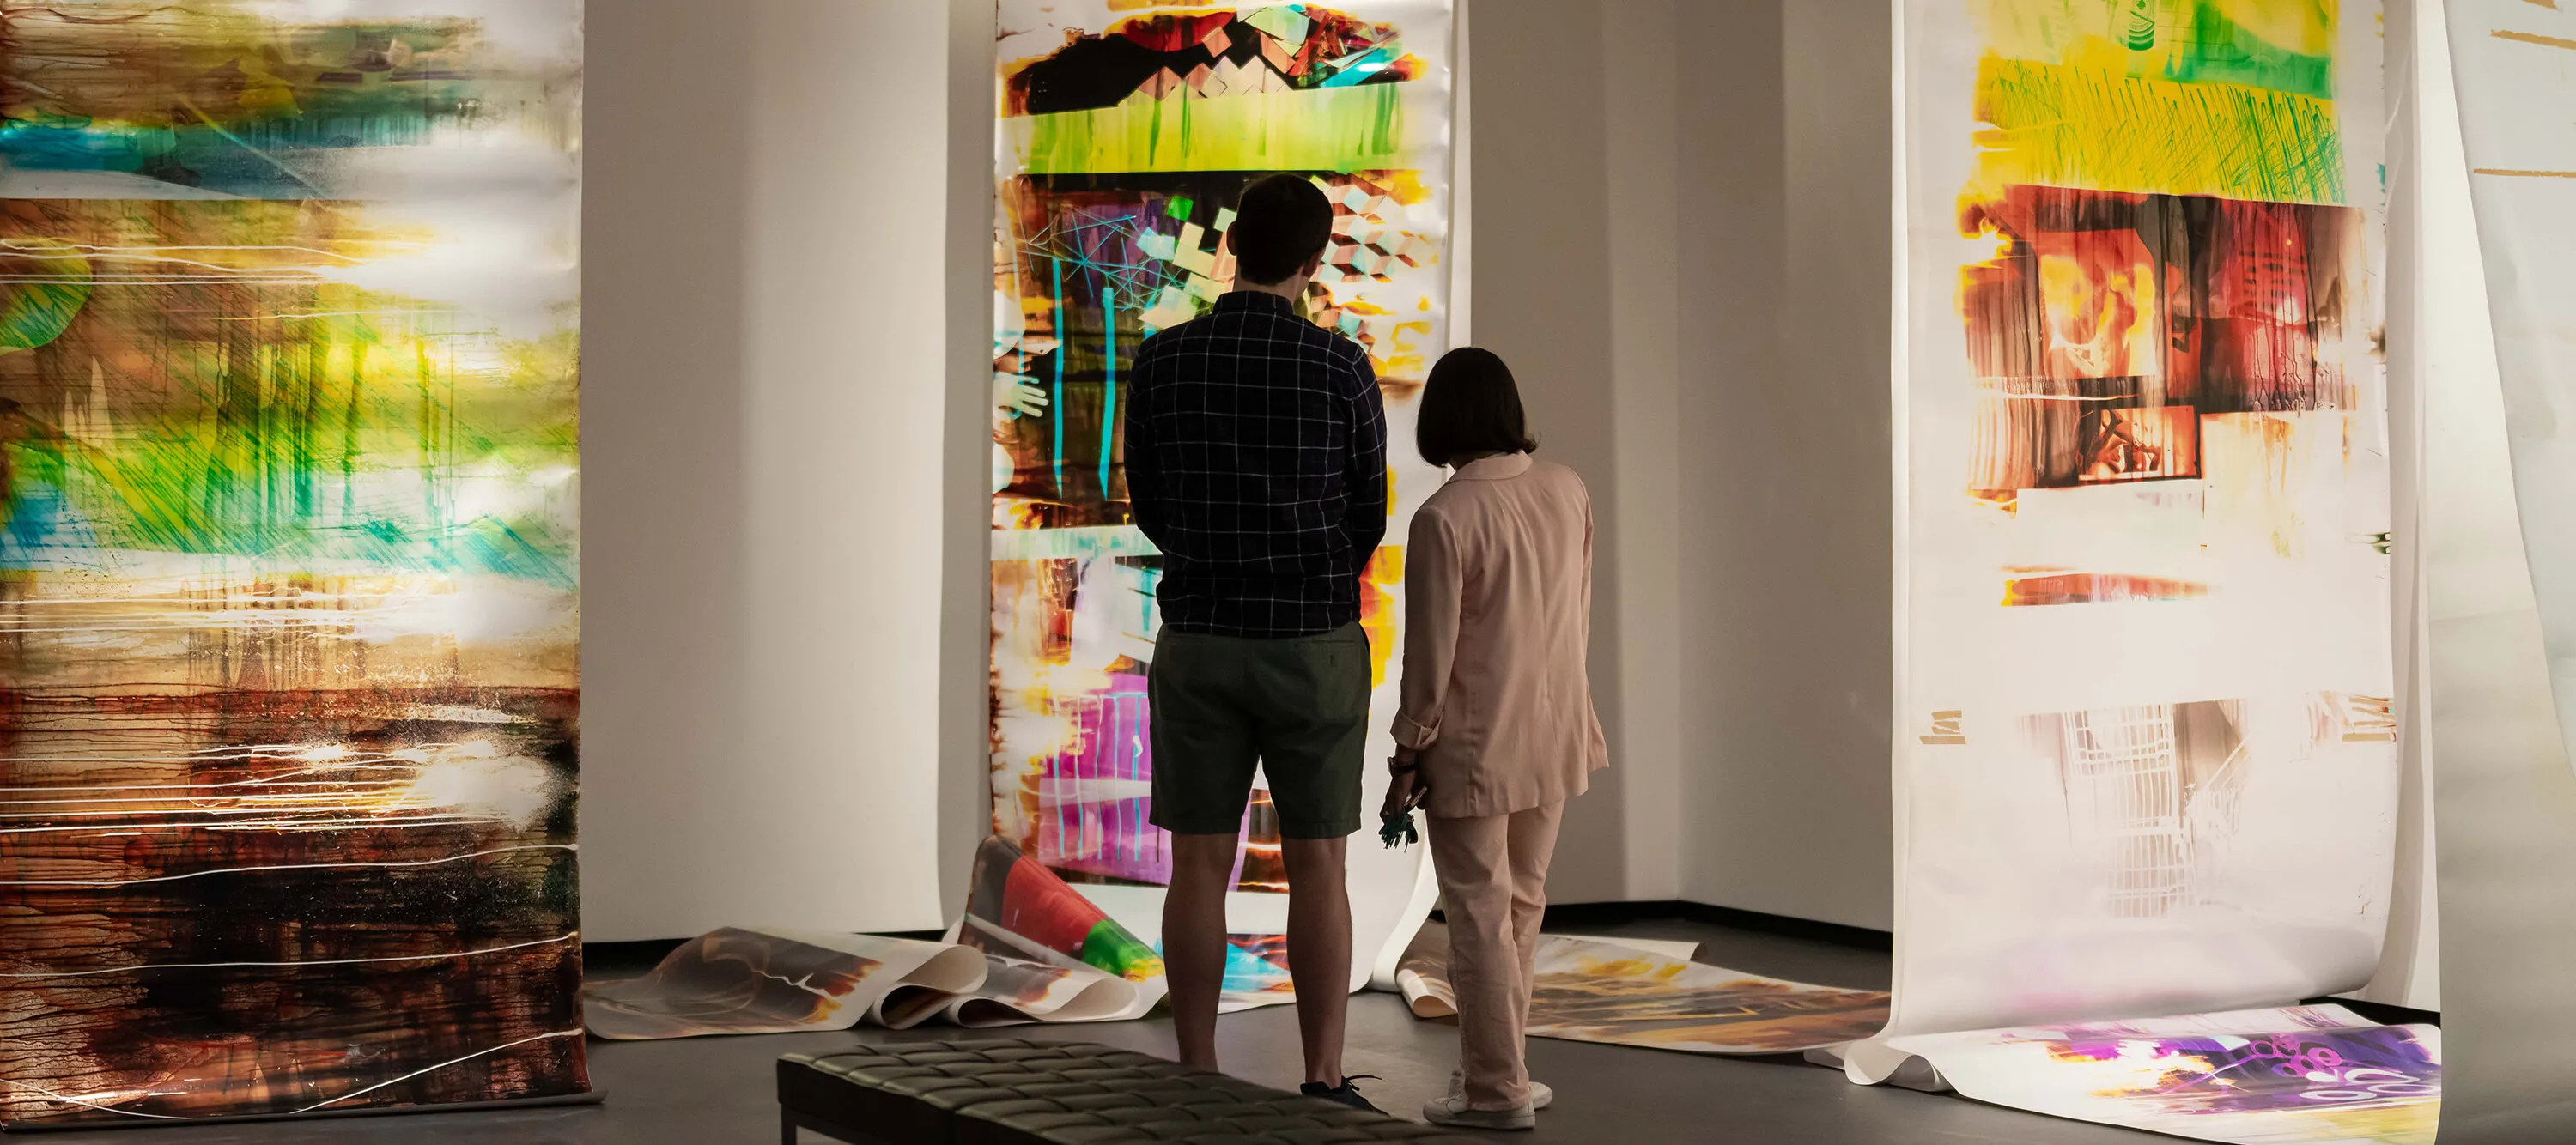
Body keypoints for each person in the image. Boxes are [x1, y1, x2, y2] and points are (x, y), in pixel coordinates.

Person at [1122, 173, 1388, 1111]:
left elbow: (1147, 501)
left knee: (1199, 860)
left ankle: (1198, 1073)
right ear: (1313, 262)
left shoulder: (1161, 362)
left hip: (1198, 634)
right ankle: (1322, 1074)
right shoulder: (1341, 367)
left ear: (1232, 244)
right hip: (1311, 638)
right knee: (1320, 862)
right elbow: (1367, 512)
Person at [1382, 348, 1607, 1131]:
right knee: (1520, 906)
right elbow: (1575, 614)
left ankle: (1496, 1092)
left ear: (1441, 421)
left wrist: (1408, 752)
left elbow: (1429, 662)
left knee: (1475, 915)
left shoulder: (1444, 517)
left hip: (1478, 745)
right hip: (1558, 731)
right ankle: (1504, 1073)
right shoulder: (1567, 489)